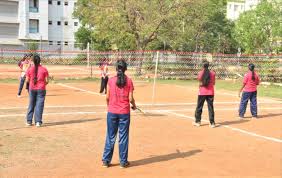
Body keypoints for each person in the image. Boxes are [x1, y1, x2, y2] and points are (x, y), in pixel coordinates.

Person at [102, 60, 136, 168]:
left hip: (112, 112)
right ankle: (123, 162)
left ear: (117, 69)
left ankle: (106, 161)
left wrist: (110, 107)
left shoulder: (111, 80)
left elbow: (107, 97)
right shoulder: (129, 81)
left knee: (110, 136)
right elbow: (130, 98)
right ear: (125, 69)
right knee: (123, 137)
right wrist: (134, 105)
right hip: (124, 113)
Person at [25, 54, 49, 127]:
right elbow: (47, 81)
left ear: (33, 61)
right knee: (39, 105)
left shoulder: (30, 69)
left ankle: (29, 121)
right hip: (41, 89)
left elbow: (27, 80)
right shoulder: (44, 69)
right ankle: (38, 122)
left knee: (31, 104)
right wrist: (42, 84)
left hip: (32, 88)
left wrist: (31, 85)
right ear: (40, 61)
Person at [193, 61, 216, 128]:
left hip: (202, 92)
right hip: (210, 92)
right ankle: (212, 123)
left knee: (199, 107)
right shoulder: (213, 73)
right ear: (208, 66)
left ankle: (198, 122)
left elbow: (200, 82)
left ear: (202, 66)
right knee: (210, 107)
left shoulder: (200, 73)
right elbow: (214, 83)